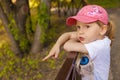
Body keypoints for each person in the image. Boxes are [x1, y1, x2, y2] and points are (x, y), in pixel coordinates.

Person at [42, 4, 115, 80]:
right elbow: (67, 34)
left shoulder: (100, 46)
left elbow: (67, 46)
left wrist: (71, 39)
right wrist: (57, 45)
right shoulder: (95, 37)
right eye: (78, 27)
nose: (80, 32)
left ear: (102, 29)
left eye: (87, 26)